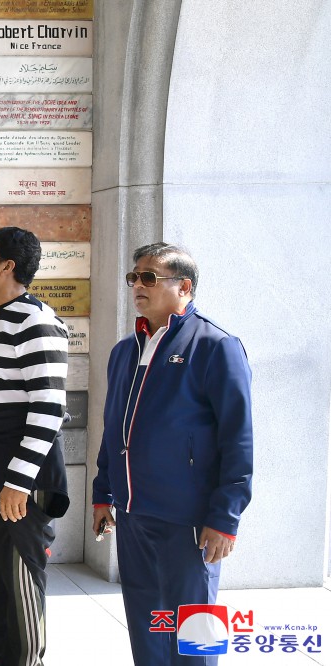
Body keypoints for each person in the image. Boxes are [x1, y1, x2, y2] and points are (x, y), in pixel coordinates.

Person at [91, 242, 253, 665]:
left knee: (193, 629)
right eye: (134, 277)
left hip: (189, 519)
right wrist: (104, 492)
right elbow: (114, 428)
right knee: (147, 623)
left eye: (149, 277)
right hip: (133, 514)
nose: (137, 286)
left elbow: (238, 440)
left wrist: (225, 518)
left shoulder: (216, 347)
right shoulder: (125, 350)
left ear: (184, 286)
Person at [0, 227, 70, 666]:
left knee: (22, 575)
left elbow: (47, 410)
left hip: (21, 478)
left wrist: (18, 484)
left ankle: (25, 661)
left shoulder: (36, 321)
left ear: (8, 266)